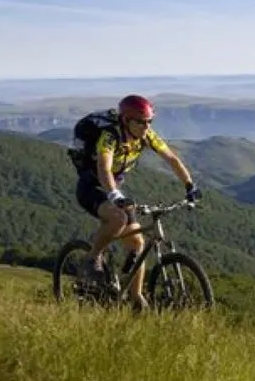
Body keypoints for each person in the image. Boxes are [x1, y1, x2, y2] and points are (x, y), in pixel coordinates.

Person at [75, 94, 202, 309]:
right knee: (117, 218)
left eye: (150, 121)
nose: (146, 126)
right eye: (141, 122)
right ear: (126, 120)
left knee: (138, 244)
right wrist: (114, 194)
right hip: (92, 187)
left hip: (114, 188)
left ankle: (136, 298)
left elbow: (171, 159)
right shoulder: (110, 136)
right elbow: (104, 169)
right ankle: (92, 258)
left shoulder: (147, 136)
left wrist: (190, 185)